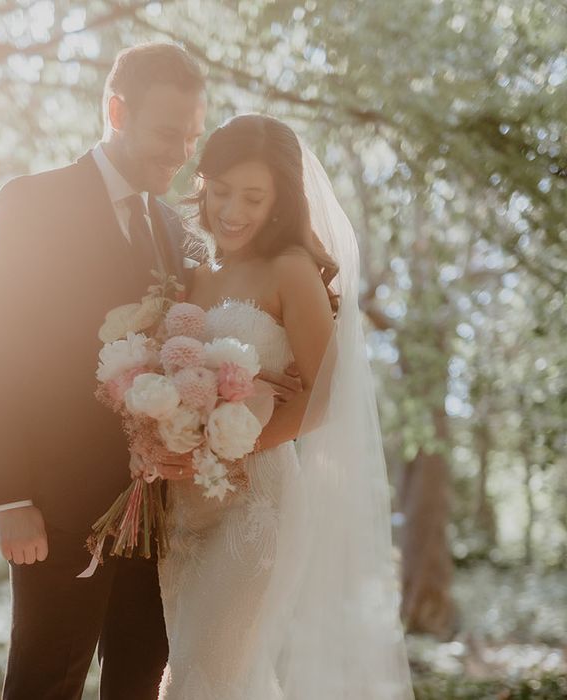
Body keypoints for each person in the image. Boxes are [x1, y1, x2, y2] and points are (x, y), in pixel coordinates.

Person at [0, 43, 206, 699]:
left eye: (191, 137)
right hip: (55, 504)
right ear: (115, 110)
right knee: (46, 679)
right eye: (166, 133)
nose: (179, 153)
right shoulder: (33, 203)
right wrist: (9, 497)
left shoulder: (176, 232)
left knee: (137, 682)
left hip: (157, 508)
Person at [157, 114, 415, 699]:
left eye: (253, 196)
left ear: (279, 200)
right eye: (221, 191)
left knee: (198, 680)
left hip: (255, 502)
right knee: (217, 676)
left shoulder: (290, 270)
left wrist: (233, 448)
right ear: (203, 183)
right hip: (179, 509)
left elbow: (327, 396)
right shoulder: (192, 275)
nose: (232, 210)